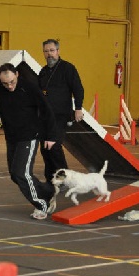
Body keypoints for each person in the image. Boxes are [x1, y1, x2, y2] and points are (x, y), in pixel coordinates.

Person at [0, 63, 59, 220]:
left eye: (12, 82)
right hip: (12, 136)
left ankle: (42, 204)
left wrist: (51, 136)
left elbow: (46, 110)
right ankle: (49, 191)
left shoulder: (29, 87)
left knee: (21, 173)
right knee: (14, 175)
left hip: (30, 135)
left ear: (17, 74)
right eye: (5, 83)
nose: (9, 86)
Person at [38, 39, 84, 183]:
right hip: (44, 117)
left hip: (60, 115)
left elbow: (78, 89)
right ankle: (51, 177)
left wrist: (78, 108)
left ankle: (65, 178)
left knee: (54, 145)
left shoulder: (68, 68)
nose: (49, 54)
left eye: (52, 50)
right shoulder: (43, 71)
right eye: (46, 51)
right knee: (45, 147)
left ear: (58, 51)